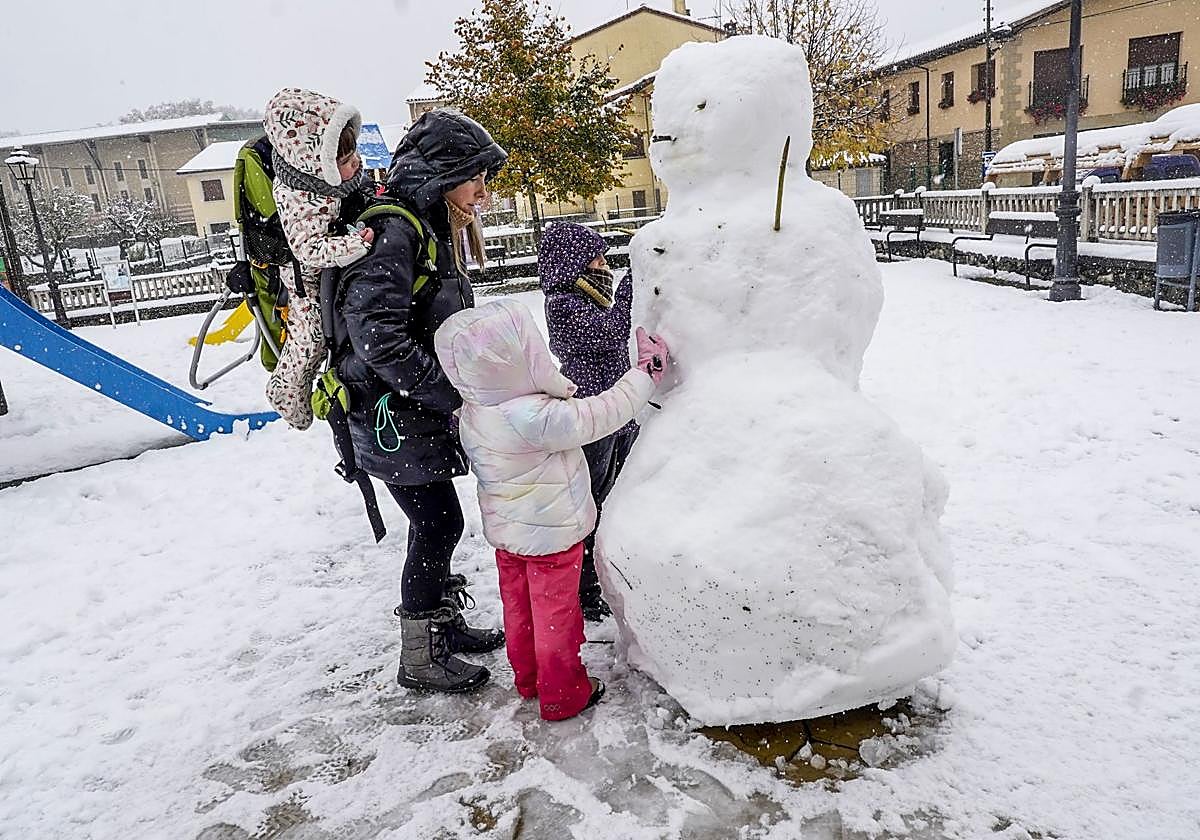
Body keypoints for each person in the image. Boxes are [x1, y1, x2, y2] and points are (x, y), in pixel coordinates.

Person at [328, 109, 507, 693]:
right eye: (475, 175)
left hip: (408, 412)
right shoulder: (398, 231)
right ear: (443, 173)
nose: (484, 189)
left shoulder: (426, 224)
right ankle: (420, 654)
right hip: (388, 415)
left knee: (439, 523)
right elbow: (376, 334)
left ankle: (442, 627)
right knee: (436, 523)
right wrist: (448, 392)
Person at [433, 298, 670, 721]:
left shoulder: (476, 410)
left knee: (520, 608)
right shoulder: (533, 415)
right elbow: (605, 412)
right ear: (518, 359)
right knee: (555, 616)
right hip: (550, 537)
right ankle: (562, 692)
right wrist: (645, 374)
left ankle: (529, 679)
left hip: (508, 535)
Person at [538, 223, 638, 621]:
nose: (603, 266)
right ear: (572, 265)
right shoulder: (563, 305)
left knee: (613, 499)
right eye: (594, 259)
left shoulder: (591, 298)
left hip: (617, 415)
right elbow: (613, 334)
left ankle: (602, 577)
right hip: (592, 419)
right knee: (590, 503)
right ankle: (583, 587)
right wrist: (635, 280)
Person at [262, 87, 375, 430]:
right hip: (305, 282)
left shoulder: (333, 179)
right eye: (343, 161)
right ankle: (285, 391)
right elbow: (308, 248)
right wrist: (353, 245)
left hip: (329, 270)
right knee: (310, 338)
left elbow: (358, 190)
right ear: (315, 163)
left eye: (353, 154)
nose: (355, 163)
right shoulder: (297, 196)